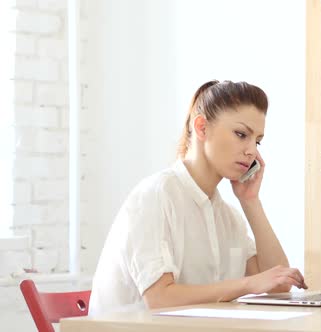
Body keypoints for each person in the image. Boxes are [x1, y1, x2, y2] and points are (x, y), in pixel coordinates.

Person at [88, 80, 307, 315]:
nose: (252, 150)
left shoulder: (228, 217)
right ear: (202, 127)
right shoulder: (155, 196)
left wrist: (251, 202)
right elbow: (160, 298)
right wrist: (247, 285)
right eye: (241, 134)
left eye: (257, 140)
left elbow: (280, 286)